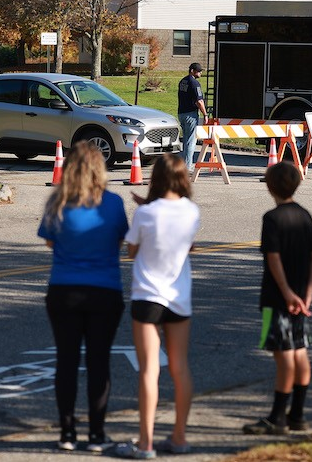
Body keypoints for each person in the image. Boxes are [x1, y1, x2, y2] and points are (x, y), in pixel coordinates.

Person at [37, 141, 129, 453]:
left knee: (66, 360)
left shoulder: (58, 202)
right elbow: (120, 241)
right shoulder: (114, 203)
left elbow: (50, 243)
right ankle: (97, 433)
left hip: (64, 289)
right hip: (105, 290)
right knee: (98, 361)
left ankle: (66, 432)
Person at [114, 153, 200, 459]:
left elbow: (132, 252)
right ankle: (179, 437)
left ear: (157, 178)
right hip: (179, 297)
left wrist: (144, 210)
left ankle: (146, 443)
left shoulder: (146, 214)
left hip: (148, 296)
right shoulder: (192, 211)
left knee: (149, 371)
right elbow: (187, 245)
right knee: (180, 368)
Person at [243, 161, 312, 436]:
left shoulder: (272, 219)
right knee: (300, 352)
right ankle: (297, 414)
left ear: (269, 186)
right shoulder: (304, 215)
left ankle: (277, 418)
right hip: (302, 298)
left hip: (278, 298)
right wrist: (307, 293)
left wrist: (286, 293)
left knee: (284, 357)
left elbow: (273, 258)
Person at [177, 62, 208, 172]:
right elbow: (199, 101)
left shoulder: (183, 81)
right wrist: (205, 114)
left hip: (181, 113)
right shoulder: (195, 83)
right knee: (191, 141)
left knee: (185, 140)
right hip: (190, 114)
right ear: (192, 71)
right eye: (199, 71)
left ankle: (183, 165)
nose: (200, 73)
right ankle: (187, 167)